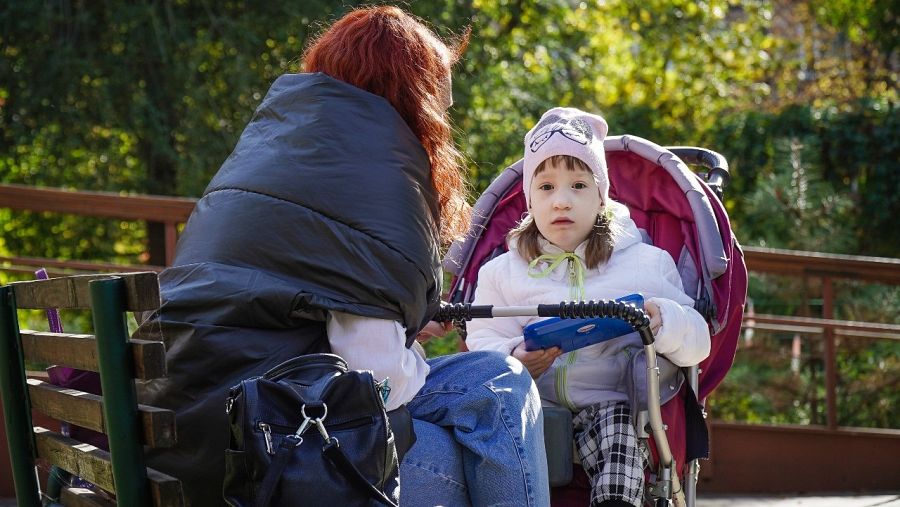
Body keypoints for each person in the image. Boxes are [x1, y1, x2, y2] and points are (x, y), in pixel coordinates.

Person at [133, 7, 549, 506]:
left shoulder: (270, 154)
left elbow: (291, 305)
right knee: (491, 420)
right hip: (267, 453)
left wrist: (401, 330)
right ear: (412, 95)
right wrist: (405, 347)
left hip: (193, 430)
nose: (447, 114)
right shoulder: (381, 184)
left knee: (497, 378)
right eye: (443, 99)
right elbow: (375, 380)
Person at [465, 107, 711, 507]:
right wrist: (513, 357)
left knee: (618, 428)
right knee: (495, 430)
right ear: (529, 199)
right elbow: (480, 339)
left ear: (602, 195)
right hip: (533, 408)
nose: (561, 201)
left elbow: (698, 343)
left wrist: (663, 319)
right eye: (546, 187)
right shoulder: (502, 272)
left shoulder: (646, 263)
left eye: (578, 185)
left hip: (614, 410)